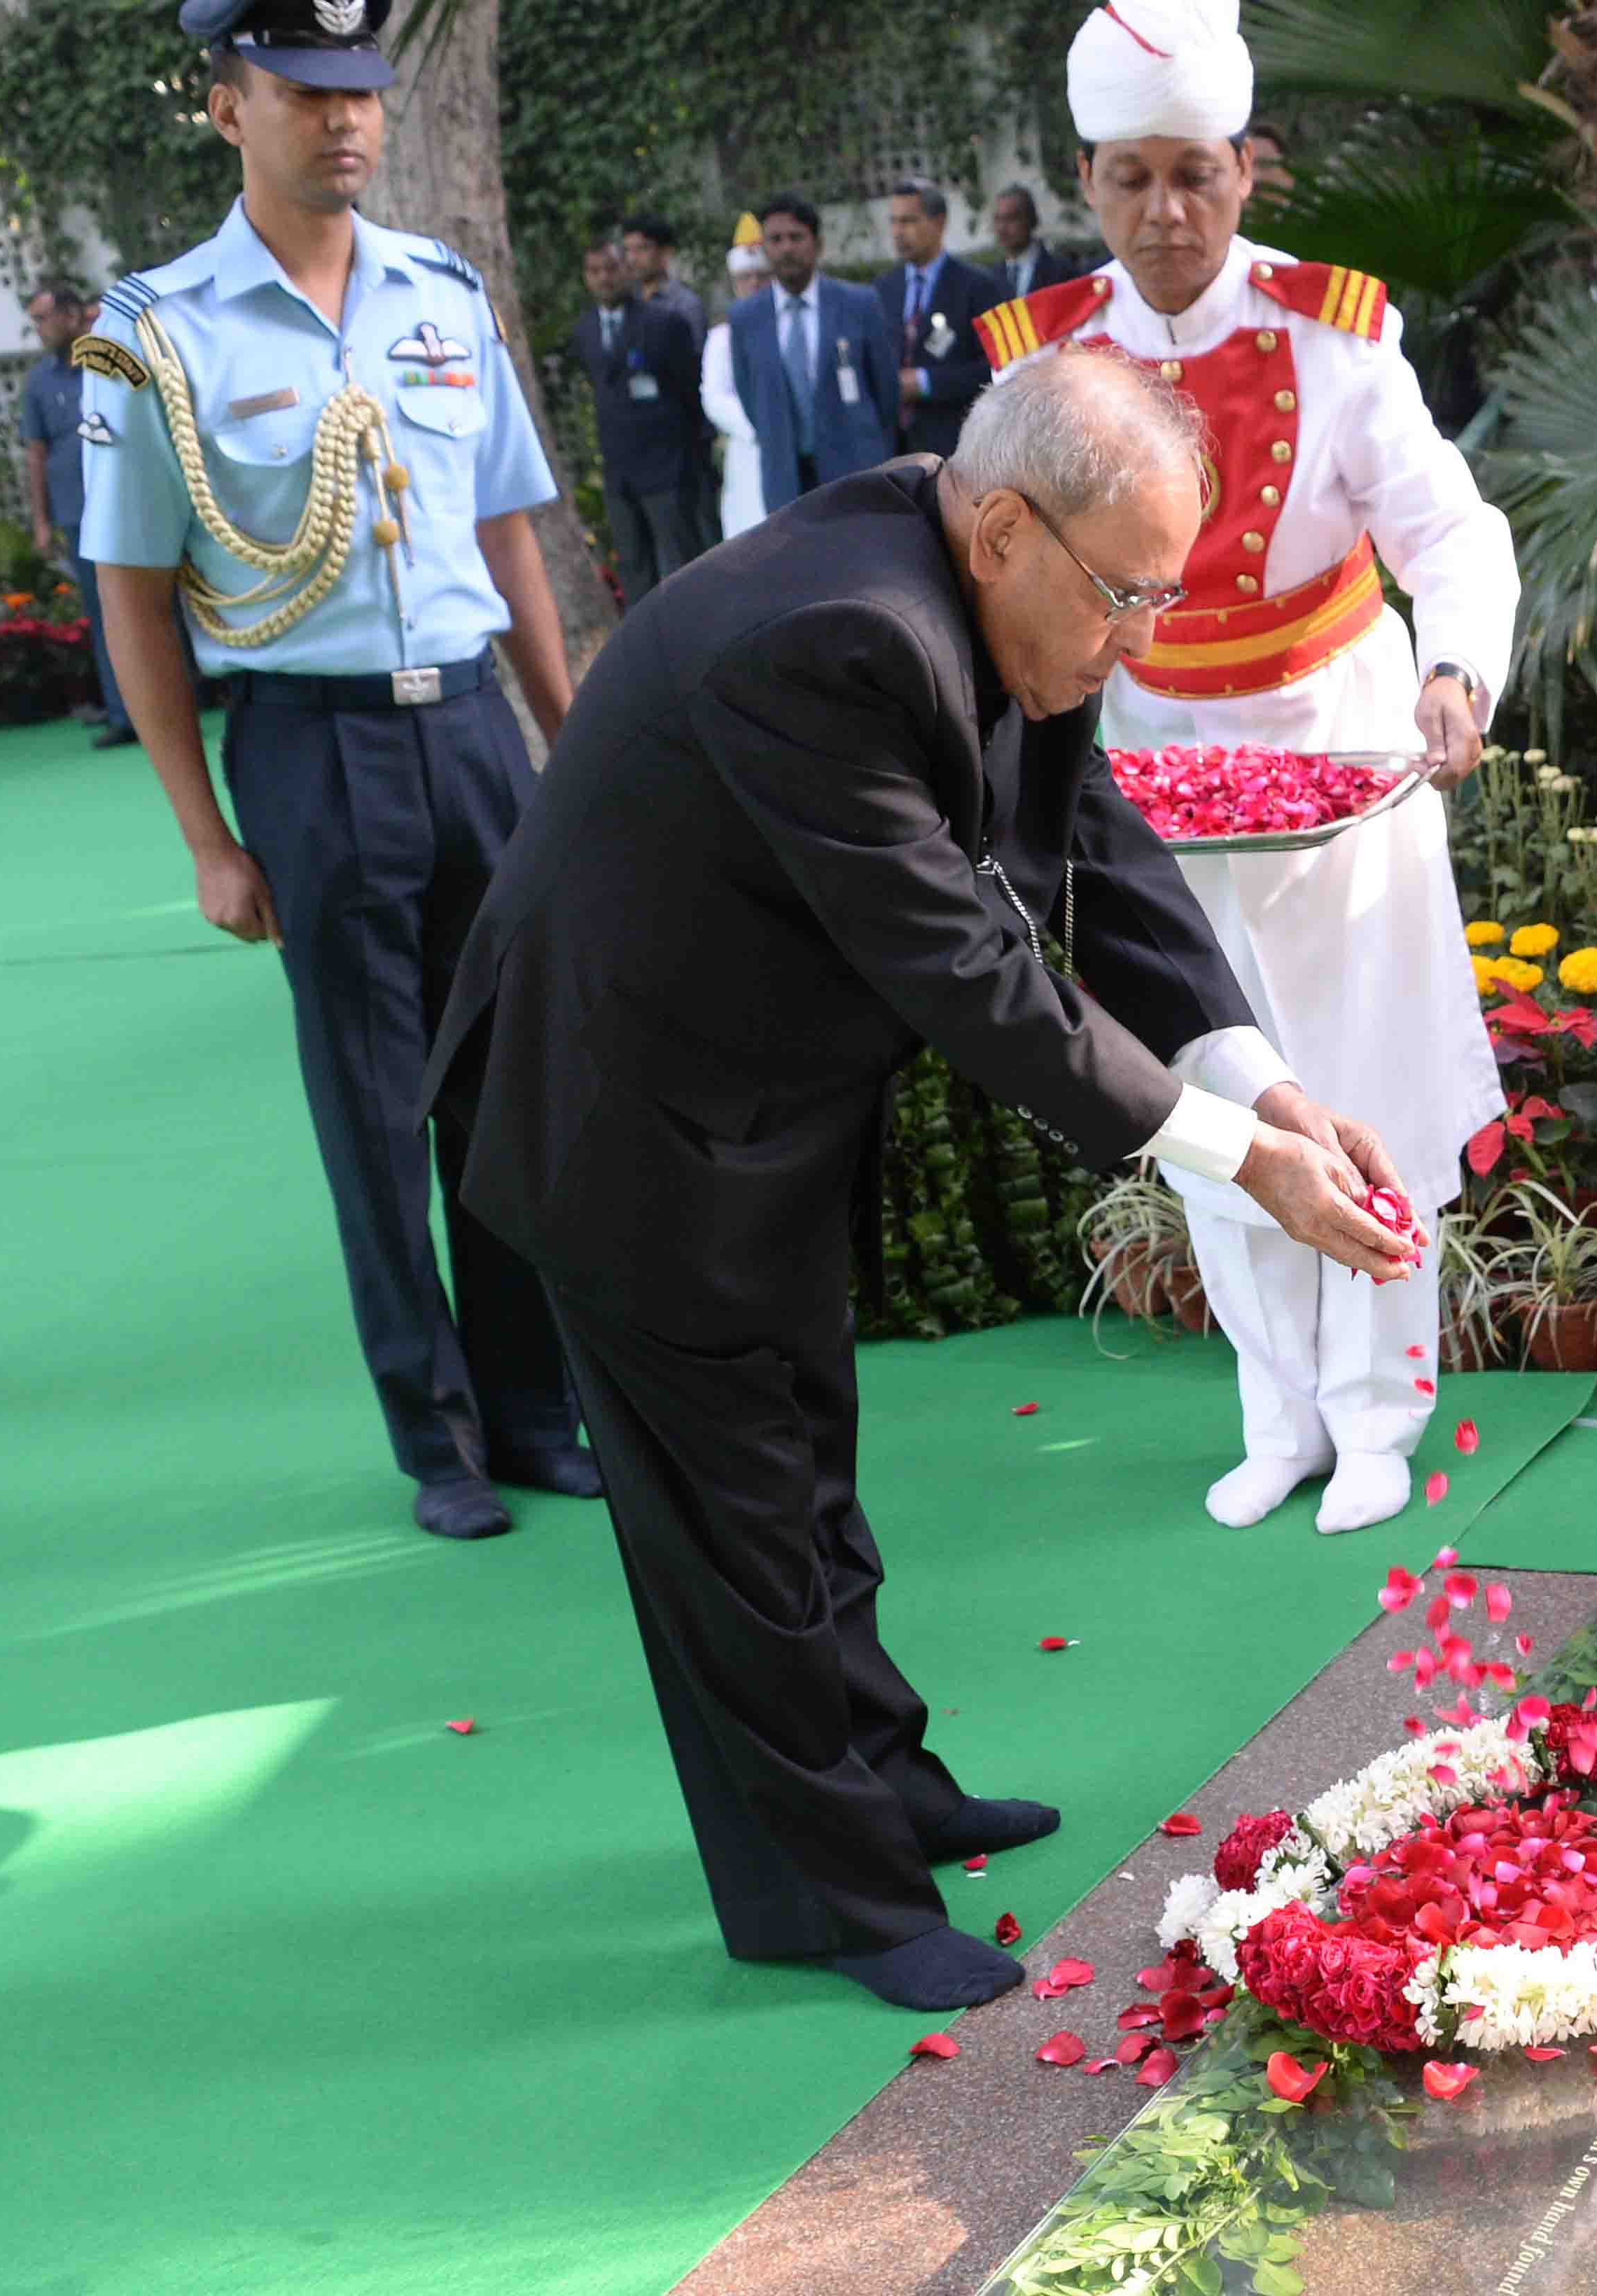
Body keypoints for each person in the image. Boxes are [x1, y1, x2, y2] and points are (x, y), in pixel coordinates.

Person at [421, 350, 1421, 2008]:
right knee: (735, 1517)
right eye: (1127, 599)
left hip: (758, 1093)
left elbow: (1088, 832)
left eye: (1161, 597)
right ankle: (829, 1894)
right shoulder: (840, 640)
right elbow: (967, 967)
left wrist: (1266, 1079)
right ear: (1009, 528)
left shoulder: (1011, 571)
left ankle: (887, 1780)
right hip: (618, 1113)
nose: (1142, 639)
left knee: (809, 1460)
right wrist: (1235, 1162)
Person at [983, 0, 1514, 1536]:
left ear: (1246, 169)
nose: (1167, 212)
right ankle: (1274, 1409)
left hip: (1341, 748)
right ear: (1087, 181)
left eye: (1196, 174)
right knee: (1207, 1096)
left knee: (1365, 1092)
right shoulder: (1040, 360)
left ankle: (1378, 1414)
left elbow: (1450, 531)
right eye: (1132, 176)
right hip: (1135, 762)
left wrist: (1455, 665)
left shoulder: (1337, 335)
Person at [78, 0, 592, 1543]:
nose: (346, 119)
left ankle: (531, 1407)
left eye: (360, 88)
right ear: (229, 107)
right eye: (304, 91)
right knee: (373, 1107)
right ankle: (435, 1435)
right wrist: (207, 834)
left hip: (470, 741)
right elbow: (136, 594)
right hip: (313, 744)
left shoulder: (443, 293)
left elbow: (511, 532)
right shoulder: (158, 333)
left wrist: (568, 738)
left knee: (501, 1091)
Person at [15, 278, 137, 749]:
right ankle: (124, 714)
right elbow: (36, 453)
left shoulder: (110, 362)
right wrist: (41, 521)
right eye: (35, 321)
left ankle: (184, 696)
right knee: (104, 612)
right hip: (78, 514)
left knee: (155, 603)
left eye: (43, 318)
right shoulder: (39, 381)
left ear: (72, 315)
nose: (39, 328)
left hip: (128, 503)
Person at [721, 195, 895, 513]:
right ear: (764, 248)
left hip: (855, 471)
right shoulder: (745, 318)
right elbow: (751, 399)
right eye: (775, 239)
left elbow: (886, 391)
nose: (786, 248)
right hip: (786, 478)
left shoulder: (859, 304)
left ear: (818, 244)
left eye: (796, 237)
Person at [565, 236, 708, 593]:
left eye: (611, 269)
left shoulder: (664, 324)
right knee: (634, 573)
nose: (604, 279)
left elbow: (690, 395)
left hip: (668, 471)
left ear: (627, 270)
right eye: (594, 271)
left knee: (682, 572)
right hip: (619, 475)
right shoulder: (584, 332)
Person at [884, 178, 998, 457]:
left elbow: (997, 369)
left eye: (909, 221)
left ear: (939, 223)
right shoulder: (882, 289)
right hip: (894, 450)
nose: (898, 232)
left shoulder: (978, 286)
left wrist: (926, 382)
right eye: (894, 222)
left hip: (958, 445)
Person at [697, 215, 770, 540]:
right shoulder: (722, 338)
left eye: (761, 276)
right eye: (745, 277)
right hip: (748, 450)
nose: (753, 283)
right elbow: (715, 399)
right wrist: (761, 426)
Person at [985, 183, 1085, 302]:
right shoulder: (990, 278)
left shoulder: (1063, 272)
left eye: (1011, 219)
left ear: (1032, 220)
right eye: (998, 220)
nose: (1002, 228)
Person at [616, 211, 704, 338]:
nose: (631, 259)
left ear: (665, 253)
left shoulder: (685, 306)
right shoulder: (624, 301)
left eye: (641, 249)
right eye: (627, 250)